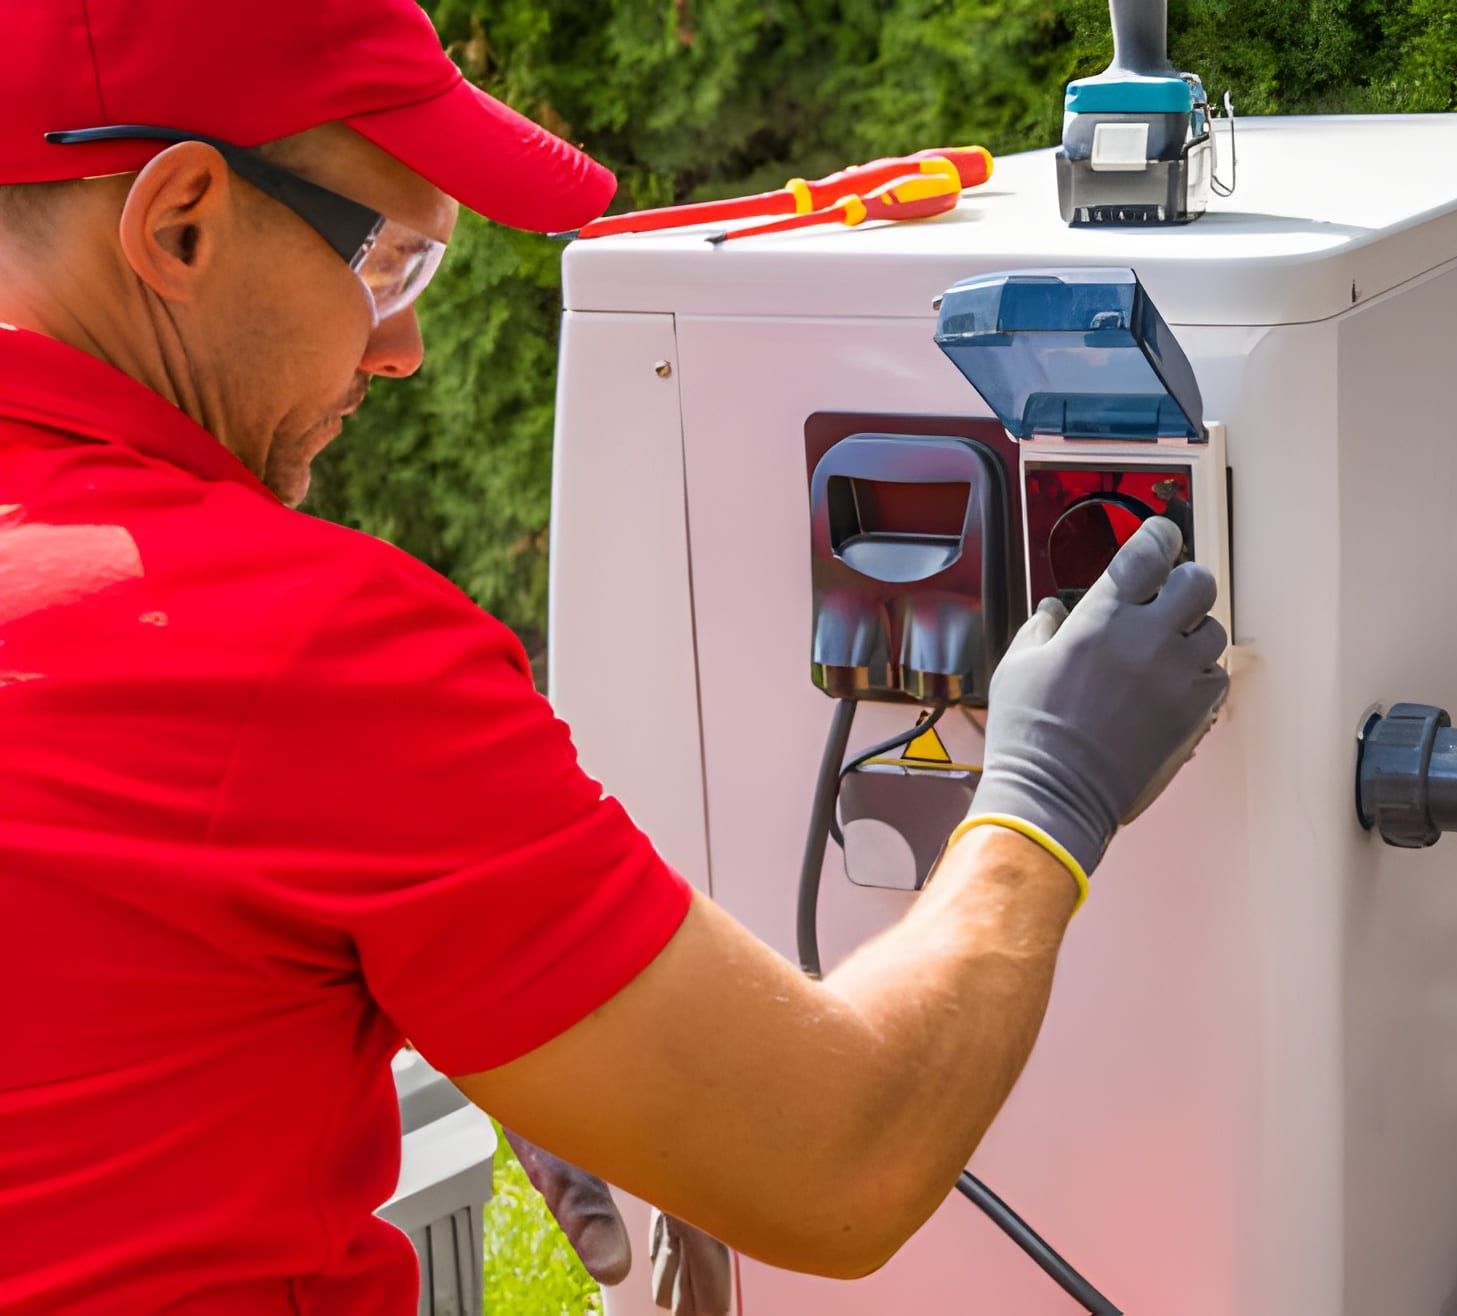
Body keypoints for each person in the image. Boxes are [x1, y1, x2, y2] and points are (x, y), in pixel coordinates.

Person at [0, 1, 1231, 1313]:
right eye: (390, 268)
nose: (403, 351)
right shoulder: (289, 650)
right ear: (181, 220)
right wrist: (1047, 799)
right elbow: (836, 1156)